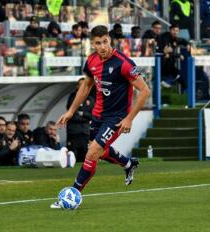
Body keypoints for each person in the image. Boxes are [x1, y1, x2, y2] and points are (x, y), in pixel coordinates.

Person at [51, 25, 150, 208]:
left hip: (117, 117)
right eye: (98, 43)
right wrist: (71, 111)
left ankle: (72, 195)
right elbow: (86, 86)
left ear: (110, 40)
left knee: (93, 152)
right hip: (97, 116)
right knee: (98, 152)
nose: (103, 46)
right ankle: (128, 163)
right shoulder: (91, 61)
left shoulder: (124, 63)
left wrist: (129, 119)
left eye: (105, 41)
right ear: (93, 44)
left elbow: (144, 91)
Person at [66, 78, 94, 162]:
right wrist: (85, 117)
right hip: (73, 131)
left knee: (84, 156)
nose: (83, 87)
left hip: (85, 132)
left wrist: (83, 114)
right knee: (72, 156)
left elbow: (93, 116)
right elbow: (72, 115)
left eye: (85, 85)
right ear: (77, 86)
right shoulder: (72, 97)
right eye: (81, 85)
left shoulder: (90, 99)